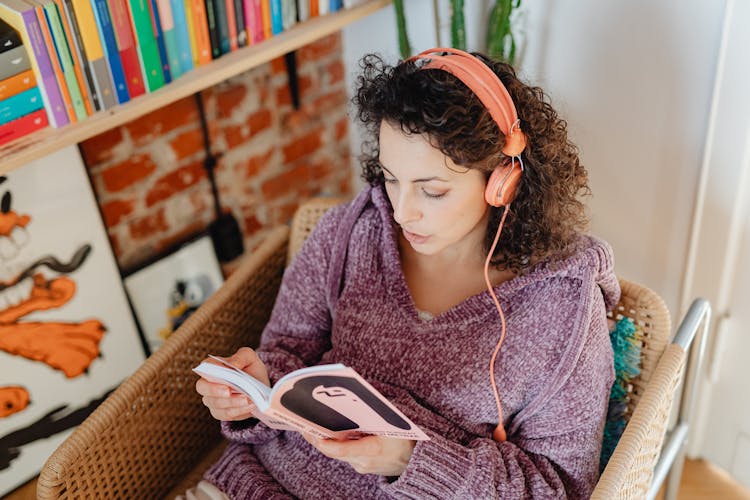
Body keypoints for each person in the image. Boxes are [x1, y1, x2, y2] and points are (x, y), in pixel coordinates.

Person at [192, 48, 619, 499]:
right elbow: (287, 352)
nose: (401, 212)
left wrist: (410, 459)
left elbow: (559, 488)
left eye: (431, 191)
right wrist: (255, 389)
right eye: (391, 179)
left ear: (502, 182)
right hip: (253, 484)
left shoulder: (563, 309)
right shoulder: (349, 234)